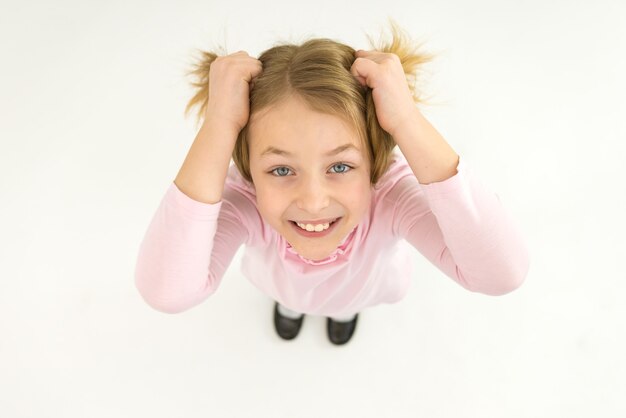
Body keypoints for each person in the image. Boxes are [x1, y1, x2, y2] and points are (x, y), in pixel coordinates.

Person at [134, 23, 530, 346]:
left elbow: (501, 273)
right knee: (288, 299)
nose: (312, 200)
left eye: (340, 166)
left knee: (346, 304)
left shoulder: (390, 196)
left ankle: (343, 313)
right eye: (281, 170)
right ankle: (290, 309)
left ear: (374, 162)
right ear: (248, 168)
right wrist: (219, 124)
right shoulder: (245, 200)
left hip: (366, 289)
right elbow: (167, 292)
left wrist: (407, 120)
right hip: (279, 285)